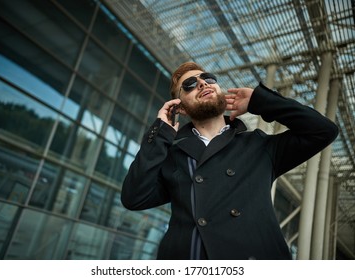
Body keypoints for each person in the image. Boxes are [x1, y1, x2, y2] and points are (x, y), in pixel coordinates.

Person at [121, 62, 339, 260]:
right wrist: (160, 133)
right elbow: (133, 198)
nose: (201, 83)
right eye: (189, 84)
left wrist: (262, 102)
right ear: (181, 108)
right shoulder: (173, 156)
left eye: (208, 78)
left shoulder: (259, 145)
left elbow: (323, 131)